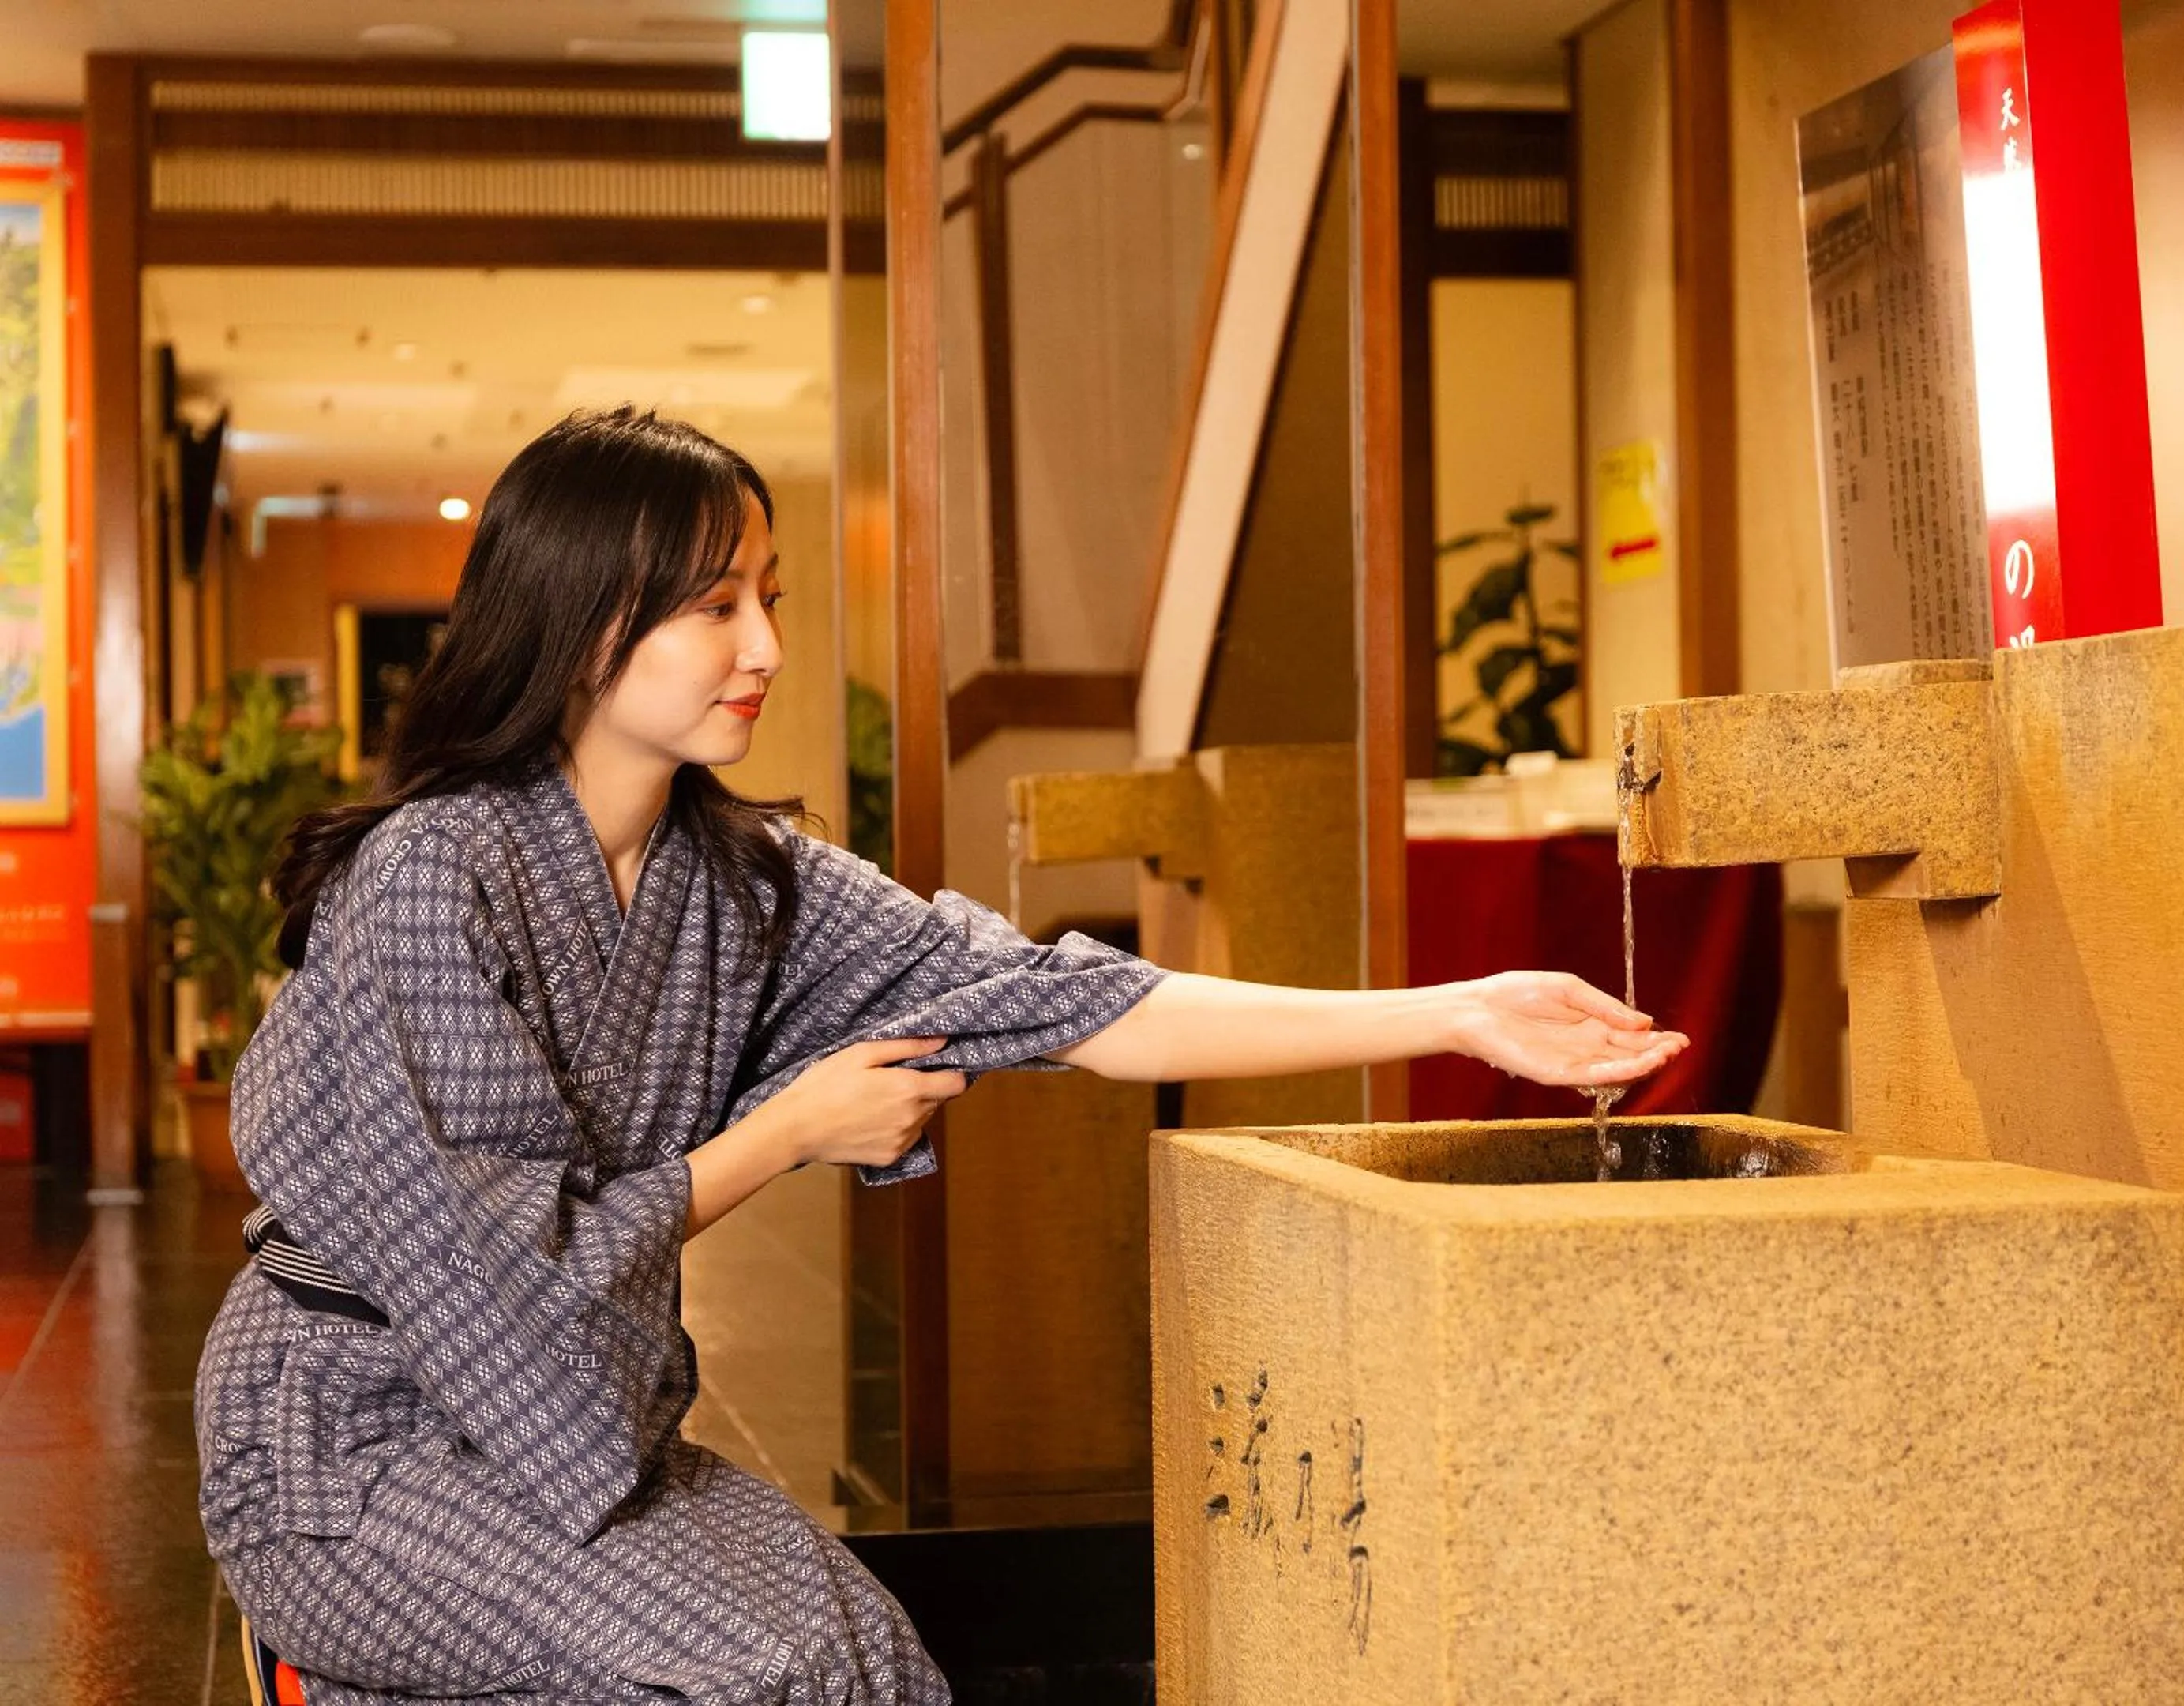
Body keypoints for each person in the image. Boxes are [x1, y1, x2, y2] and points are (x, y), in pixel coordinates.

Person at [193, 407, 1687, 1704]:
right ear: (588, 622)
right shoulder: (430, 876)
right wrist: (786, 1130)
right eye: (717, 608)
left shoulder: (750, 885)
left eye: (766, 598)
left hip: (566, 1420)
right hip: (353, 1437)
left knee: (866, 1662)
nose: (767, 647)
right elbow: (490, 1261)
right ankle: (328, 1664)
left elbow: (1070, 1006)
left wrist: (1449, 1011)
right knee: (746, 1671)